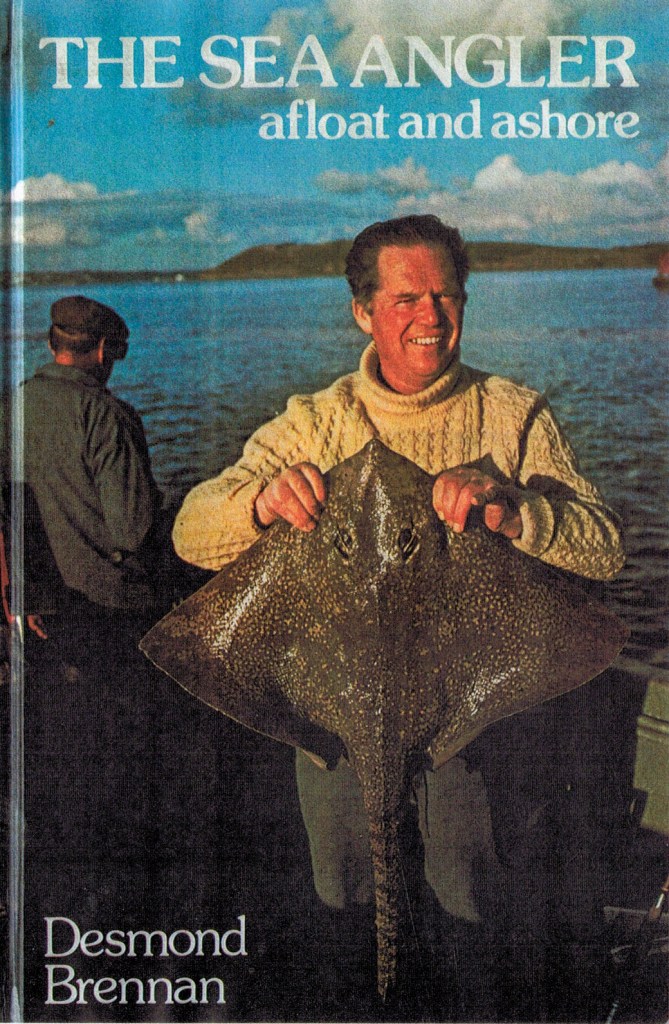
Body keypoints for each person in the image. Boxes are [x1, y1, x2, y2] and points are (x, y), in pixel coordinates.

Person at [171, 216, 625, 1012]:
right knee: (343, 901)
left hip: (468, 726)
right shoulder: (315, 419)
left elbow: (604, 549)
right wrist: (262, 503)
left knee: (467, 905)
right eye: (406, 297)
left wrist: (516, 510)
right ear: (361, 311)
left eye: (446, 296)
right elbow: (190, 529)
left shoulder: (508, 415)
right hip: (336, 731)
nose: (430, 317)